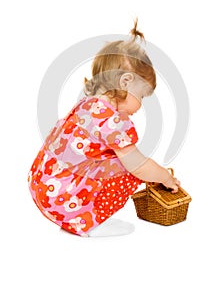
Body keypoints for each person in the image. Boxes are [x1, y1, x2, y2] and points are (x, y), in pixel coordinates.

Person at [28, 19, 180, 237]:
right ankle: (89, 221)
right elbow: (138, 166)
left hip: (43, 190)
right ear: (126, 82)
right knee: (131, 171)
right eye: (142, 96)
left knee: (115, 160)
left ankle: (76, 215)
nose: (140, 105)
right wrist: (164, 177)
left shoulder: (87, 105)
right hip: (63, 201)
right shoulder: (114, 122)